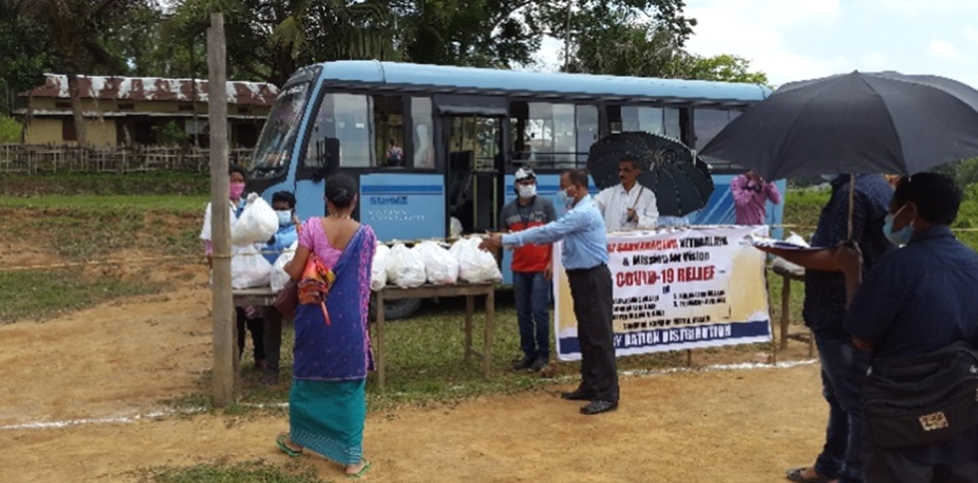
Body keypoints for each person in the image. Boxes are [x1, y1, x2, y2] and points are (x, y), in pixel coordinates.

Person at [835, 173, 978, 483]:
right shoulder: (973, 263)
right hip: (963, 414)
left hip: (901, 416)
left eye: (893, 209)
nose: (890, 218)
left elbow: (861, 339)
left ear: (910, 211)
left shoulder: (895, 266)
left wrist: (852, 273)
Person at [755, 173, 892, 483]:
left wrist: (778, 250)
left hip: (840, 313)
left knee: (854, 402)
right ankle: (831, 465)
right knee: (840, 396)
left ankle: (853, 474)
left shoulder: (852, 195)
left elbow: (837, 259)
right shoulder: (875, 187)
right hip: (851, 309)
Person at [481, 169, 618, 415]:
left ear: (576, 187)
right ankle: (590, 384)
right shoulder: (576, 211)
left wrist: (505, 240)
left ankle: (608, 394)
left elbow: (547, 232)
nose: (561, 191)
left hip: (593, 279)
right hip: (581, 278)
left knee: (599, 336)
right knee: (587, 334)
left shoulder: (584, 212)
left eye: (563, 186)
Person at [275, 174, 375, 478]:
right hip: (349, 322)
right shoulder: (366, 234)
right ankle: (351, 460)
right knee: (349, 386)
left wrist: (285, 265)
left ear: (325, 200)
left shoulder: (312, 228)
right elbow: (363, 283)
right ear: (354, 201)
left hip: (314, 318)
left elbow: (295, 270)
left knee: (306, 379)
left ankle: (297, 440)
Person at [199, 164, 265, 371]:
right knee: (233, 318)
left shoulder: (250, 206)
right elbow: (210, 242)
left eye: (239, 180)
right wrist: (213, 269)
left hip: (251, 268)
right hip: (229, 268)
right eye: (232, 180)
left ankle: (260, 356)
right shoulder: (216, 207)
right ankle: (233, 360)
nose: (236, 185)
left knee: (257, 315)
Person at [499, 167, 558, 372]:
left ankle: (543, 354)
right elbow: (503, 235)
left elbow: (554, 236)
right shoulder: (508, 210)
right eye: (524, 183)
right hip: (519, 267)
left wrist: (551, 262)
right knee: (522, 312)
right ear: (516, 186)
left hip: (542, 266)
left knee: (539, 311)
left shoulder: (546, 206)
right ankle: (528, 353)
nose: (528, 186)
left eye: (531, 183)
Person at [260, 191, 300, 385]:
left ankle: (300, 369)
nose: (278, 212)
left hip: (295, 288)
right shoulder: (264, 230)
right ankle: (271, 370)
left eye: (283, 209)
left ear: (292, 210)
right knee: (270, 328)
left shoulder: (301, 230)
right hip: (270, 287)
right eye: (275, 209)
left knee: (301, 329)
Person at [594, 156, 658, 231]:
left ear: (636, 172)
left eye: (626, 170)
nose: (621, 174)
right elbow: (592, 209)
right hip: (613, 241)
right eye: (620, 170)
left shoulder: (648, 195)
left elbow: (654, 224)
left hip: (636, 241)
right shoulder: (608, 194)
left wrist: (637, 218)